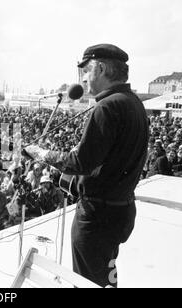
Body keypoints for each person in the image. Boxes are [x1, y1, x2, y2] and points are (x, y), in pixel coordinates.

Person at [41, 44, 149, 287]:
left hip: (97, 216)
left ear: (100, 68)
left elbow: (81, 162)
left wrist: (44, 154)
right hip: (119, 210)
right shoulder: (133, 103)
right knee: (105, 276)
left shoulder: (107, 106)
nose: (84, 79)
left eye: (86, 71)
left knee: (88, 281)